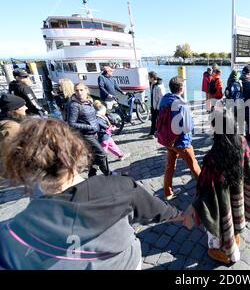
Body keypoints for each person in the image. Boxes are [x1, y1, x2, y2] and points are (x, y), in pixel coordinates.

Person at [0, 118, 191, 270]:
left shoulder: (9, 235)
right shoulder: (121, 187)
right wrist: (183, 216)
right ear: (75, 151)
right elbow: (159, 211)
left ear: (22, 166)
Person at [183, 111, 250, 265]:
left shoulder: (212, 158)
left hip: (221, 202)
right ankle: (234, 240)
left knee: (219, 230)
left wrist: (195, 204)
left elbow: (204, 188)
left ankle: (223, 252)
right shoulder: (242, 141)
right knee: (234, 222)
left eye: (212, 126)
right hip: (237, 194)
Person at [159, 77, 201, 201]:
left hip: (168, 140)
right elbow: (188, 127)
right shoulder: (182, 104)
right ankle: (206, 191)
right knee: (194, 167)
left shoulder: (164, 100)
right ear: (181, 89)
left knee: (169, 167)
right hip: (181, 142)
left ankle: (168, 193)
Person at [68, 83, 112, 177]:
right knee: (102, 154)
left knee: (94, 155)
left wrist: (102, 125)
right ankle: (107, 173)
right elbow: (71, 124)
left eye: (81, 90)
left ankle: (92, 174)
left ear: (86, 90)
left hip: (94, 133)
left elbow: (93, 117)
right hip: (85, 135)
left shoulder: (89, 101)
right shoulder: (74, 105)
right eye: (76, 90)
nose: (79, 92)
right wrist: (89, 127)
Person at [145, 71, 166, 139]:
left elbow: (162, 97)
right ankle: (152, 133)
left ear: (152, 78)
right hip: (153, 105)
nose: (148, 78)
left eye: (149, 77)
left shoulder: (159, 86)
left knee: (159, 120)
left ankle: (157, 133)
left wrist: (157, 107)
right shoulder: (151, 83)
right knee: (153, 120)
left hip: (158, 107)